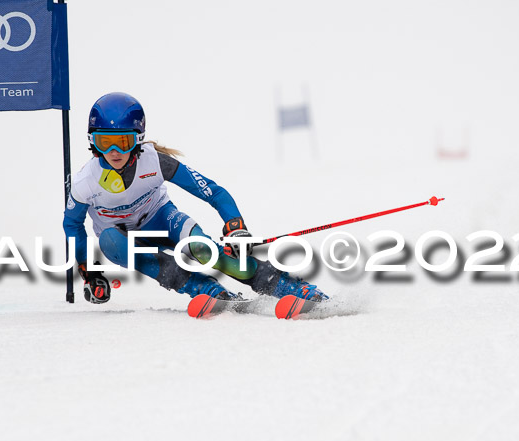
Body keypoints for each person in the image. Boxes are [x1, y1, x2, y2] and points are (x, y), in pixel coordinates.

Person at [63, 92, 329, 304]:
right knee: (110, 240)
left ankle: (287, 286)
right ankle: (201, 287)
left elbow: (213, 191)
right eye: (103, 142)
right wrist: (89, 271)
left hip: (162, 219)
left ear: (138, 139)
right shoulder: (86, 181)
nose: (113, 151)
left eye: (122, 142)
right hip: (123, 239)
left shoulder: (155, 162)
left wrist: (235, 226)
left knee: (205, 251)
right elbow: (72, 225)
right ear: (92, 142)